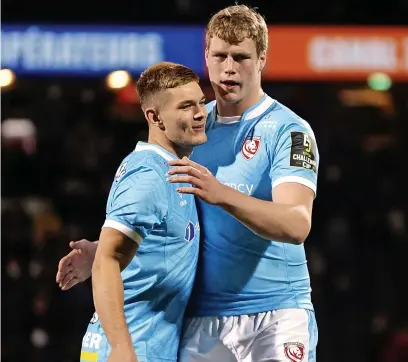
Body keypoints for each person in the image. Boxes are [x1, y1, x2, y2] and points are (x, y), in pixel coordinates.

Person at [57, 5, 320, 362]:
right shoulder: (191, 124)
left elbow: (296, 223)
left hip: (275, 313)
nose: (228, 67)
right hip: (201, 318)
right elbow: (156, 205)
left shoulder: (288, 130)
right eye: (219, 55)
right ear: (206, 56)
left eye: (241, 57)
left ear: (261, 60)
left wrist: (221, 194)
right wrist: (110, 252)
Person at [75, 61, 207, 362]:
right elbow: (108, 261)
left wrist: (98, 251)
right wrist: (122, 348)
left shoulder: (169, 170)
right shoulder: (149, 177)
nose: (200, 113)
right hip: (132, 348)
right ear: (154, 117)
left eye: (201, 102)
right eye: (186, 106)